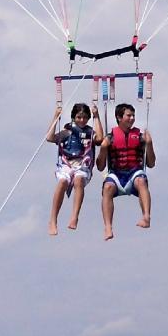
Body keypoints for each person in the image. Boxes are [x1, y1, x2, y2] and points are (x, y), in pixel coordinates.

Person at [97, 102, 155, 241]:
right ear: (119, 117)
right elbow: (100, 167)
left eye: (133, 115)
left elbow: (151, 164)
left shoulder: (140, 137)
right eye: (129, 115)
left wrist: (149, 144)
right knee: (107, 187)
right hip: (116, 174)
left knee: (141, 181)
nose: (132, 118)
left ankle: (146, 217)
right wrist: (103, 148)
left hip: (134, 173)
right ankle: (108, 227)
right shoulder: (110, 137)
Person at [46, 99, 103, 236]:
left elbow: (100, 139)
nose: (82, 120)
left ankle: (74, 216)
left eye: (84, 117)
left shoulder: (90, 132)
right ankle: (53, 220)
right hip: (66, 164)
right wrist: (56, 116)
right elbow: (49, 138)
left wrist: (96, 116)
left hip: (83, 165)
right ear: (73, 117)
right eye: (79, 117)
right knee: (62, 182)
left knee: (78, 181)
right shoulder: (67, 131)